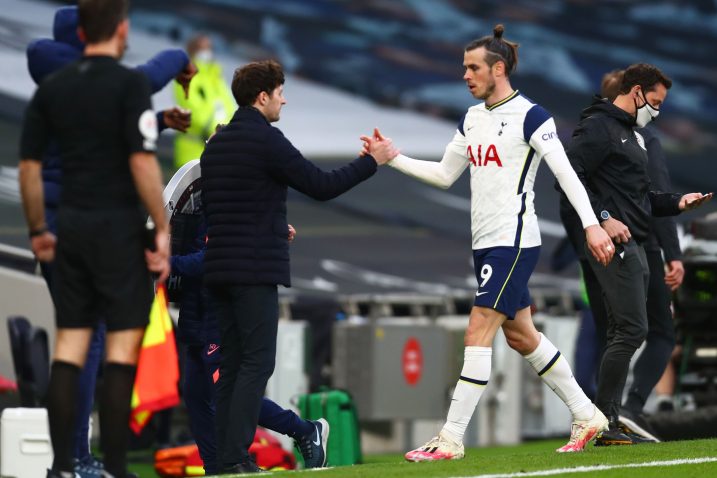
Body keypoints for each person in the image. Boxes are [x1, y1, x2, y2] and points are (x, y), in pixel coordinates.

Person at [364, 24, 615, 461]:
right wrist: (394, 159)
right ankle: (586, 412)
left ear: (498, 69)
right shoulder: (472, 118)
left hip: (514, 241)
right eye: (464, 68)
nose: (465, 75)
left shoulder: (532, 117)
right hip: (485, 244)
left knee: (478, 326)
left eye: (472, 67)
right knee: (522, 337)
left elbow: (566, 175)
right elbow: (445, 175)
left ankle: (451, 438)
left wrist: (592, 225)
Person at [200, 59, 397, 474]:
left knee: (233, 366)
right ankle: (235, 459)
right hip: (253, 270)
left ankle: (224, 461)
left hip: (218, 269)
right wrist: (371, 161)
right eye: (280, 92)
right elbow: (321, 186)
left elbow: (231, 205)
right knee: (256, 364)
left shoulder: (216, 144)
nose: (284, 100)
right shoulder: (266, 140)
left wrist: (271, 224)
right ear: (263, 96)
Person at [25, 5, 194, 476]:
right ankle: (93, 461)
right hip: (101, 226)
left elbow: (40, 162)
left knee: (75, 343)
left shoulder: (53, 87)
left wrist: (38, 228)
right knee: (108, 345)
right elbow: (137, 140)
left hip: (60, 226)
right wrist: (161, 227)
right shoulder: (107, 79)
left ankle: (68, 461)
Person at [565, 62, 712, 445]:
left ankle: (605, 421)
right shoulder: (599, 126)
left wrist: (677, 203)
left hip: (637, 244)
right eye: (656, 101)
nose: (658, 109)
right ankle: (602, 419)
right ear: (636, 93)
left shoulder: (633, 135)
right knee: (634, 329)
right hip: (614, 244)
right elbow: (567, 177)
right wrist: (602, 218)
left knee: (625, 330)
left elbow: (642, 198)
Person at [171, 212, 329, 473]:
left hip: (217, 315)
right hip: (195, 315)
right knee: (196, 395)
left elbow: (209, 260)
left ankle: (304, 430)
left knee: (230, 393)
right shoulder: (201, 203)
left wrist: (163, 262)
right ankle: (215, 468)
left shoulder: (222, 203)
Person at [173, 34, 235, 168]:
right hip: (191, 153)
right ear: (193, 50)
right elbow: (193, 110)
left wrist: (229, 128)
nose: (206, 52)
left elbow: (228, 106)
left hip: (216, 150)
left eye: (208, 47)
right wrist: (221, 130)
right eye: (202, 48)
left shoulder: (215, 76)